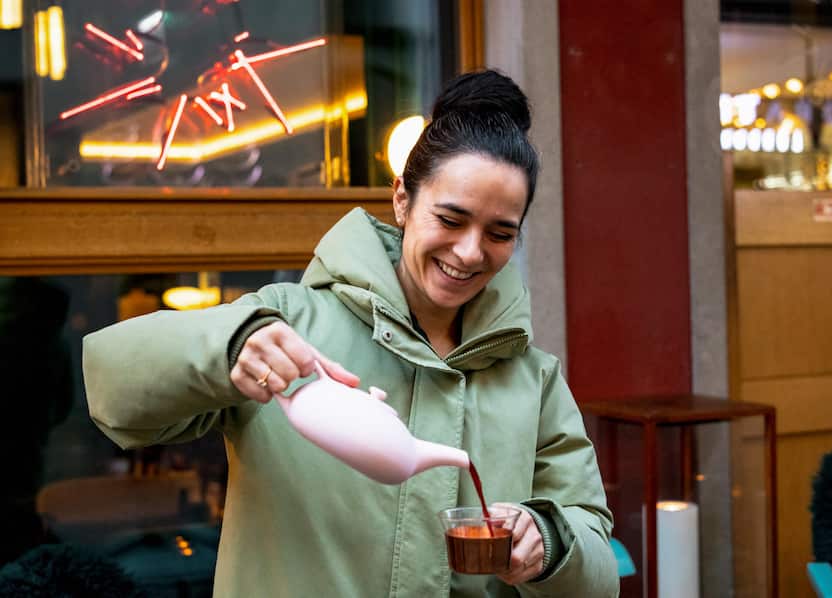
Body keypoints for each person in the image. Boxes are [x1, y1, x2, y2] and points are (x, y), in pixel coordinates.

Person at [84, 70, 619, 597]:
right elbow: (114, 393)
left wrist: (548, 540)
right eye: (451, 220)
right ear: (403, 200)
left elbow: (599, 567)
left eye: (500, 233)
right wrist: (225, 346)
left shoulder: (534, 379)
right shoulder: (284, 326)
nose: (471, 252)